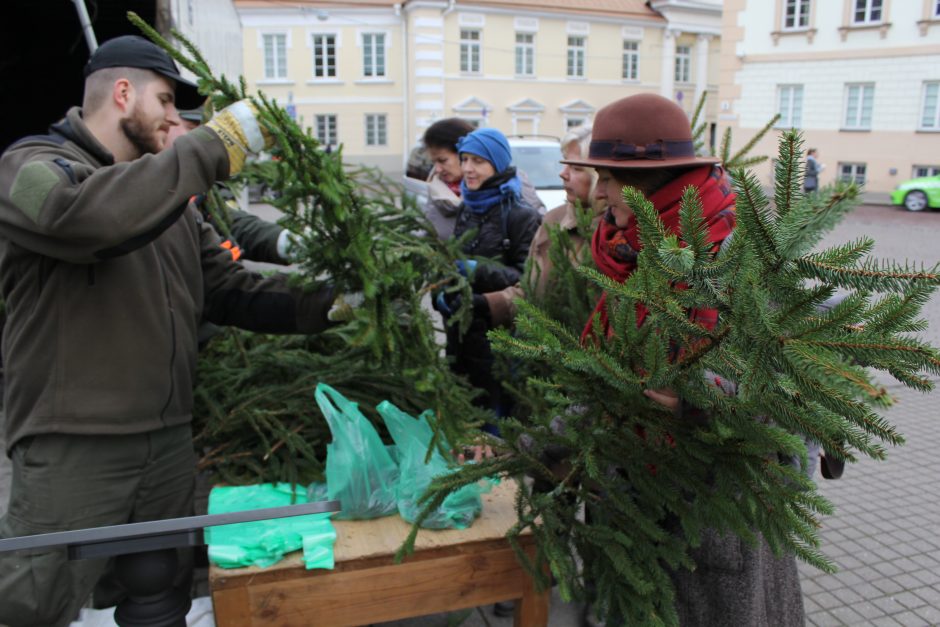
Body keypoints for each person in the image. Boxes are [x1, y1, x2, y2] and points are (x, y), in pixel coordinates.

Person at [0, 35, 350, 626]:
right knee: (36, 603)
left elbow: (229, 290)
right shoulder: (32, 169)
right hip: (77, 443)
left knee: (158, 593)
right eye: (165, 101)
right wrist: (217, 145)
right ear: (121, 93)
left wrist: (333, 303)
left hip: (165, 438)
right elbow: (84, 220)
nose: (172, 117)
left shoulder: (169, 203)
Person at [565, 93, 805, 626]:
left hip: (714, 518)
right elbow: (613, 378)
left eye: (608, 177)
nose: (598, 191)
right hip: (635, 506)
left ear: (654, 185)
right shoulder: (633, 253)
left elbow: (797, 394)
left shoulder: (736, 255)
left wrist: (701, 400)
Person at [433, 127, 541, 423]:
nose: (467, 168)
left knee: (494, 422)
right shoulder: (468, 206)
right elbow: (453, 259)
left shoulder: (522, 215)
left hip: (499, 343)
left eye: (478, 161)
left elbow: (527, 278)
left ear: (497, 164)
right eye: (465, 159)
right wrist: (441, 292)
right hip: (461, 334)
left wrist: (476, 270)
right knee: (465, 417)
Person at [484, 123, 603, 328]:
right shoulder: (553, 220)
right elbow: (530, 292)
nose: (563, 174)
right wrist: (487, 306)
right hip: (543, 352)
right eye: (564, 164)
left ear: (600, 175)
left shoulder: (619, 233)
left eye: (576, 168)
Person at [168, 107, 300, 266]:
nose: (199, 140)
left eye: (203, 131)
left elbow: (232, 223)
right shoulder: (145, 179)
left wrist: (286, 242)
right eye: (191, 129)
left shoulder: (203, 186)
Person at [422, 118, 544, 240]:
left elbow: (538, 236)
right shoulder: (435, 189)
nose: (437, 169)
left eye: (443, 160)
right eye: (434, 162)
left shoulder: (515, 187)